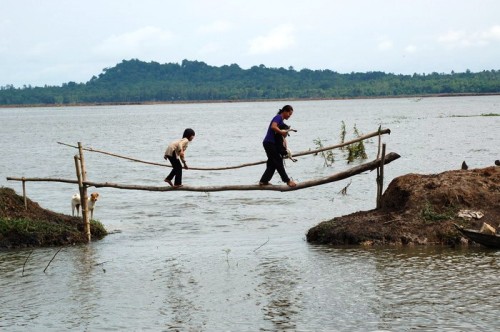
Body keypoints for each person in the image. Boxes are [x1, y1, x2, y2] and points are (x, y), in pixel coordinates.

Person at [259, 105, 297, 187]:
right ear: (285, 111)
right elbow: (273, 126)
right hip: (269, 142)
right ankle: (287, 181)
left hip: (270, 143)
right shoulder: (278, 117)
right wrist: (281, 132)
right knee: (278, 161)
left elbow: (282, 135)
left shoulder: (282, 122)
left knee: (272, 163)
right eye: (289, 114)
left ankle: (263, 181)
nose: (289, 116)